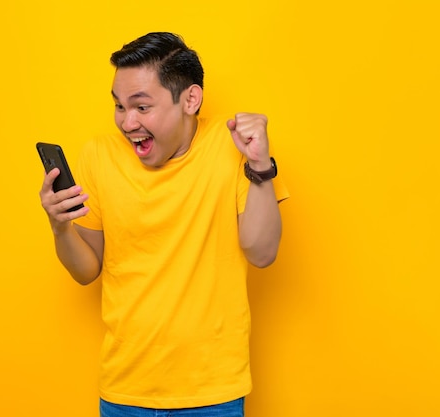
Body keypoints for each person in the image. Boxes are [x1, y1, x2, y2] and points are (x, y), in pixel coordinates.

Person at [39, 32, 289, 416]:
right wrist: (59, 226)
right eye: (119, 106)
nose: (128, 121)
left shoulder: (232, 145)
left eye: (141, 106)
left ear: (190, 99)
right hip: (124, 389)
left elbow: (262, 252)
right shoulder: (98, 155)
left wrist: (259, 166)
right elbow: (87, 269)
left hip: (213, 392)